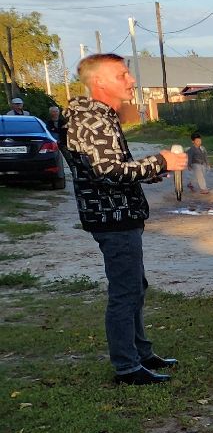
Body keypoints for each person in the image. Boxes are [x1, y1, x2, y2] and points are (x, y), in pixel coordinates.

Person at [59, 53, 187, 384]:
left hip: (119, 214)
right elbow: (106, 172)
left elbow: (111, 168)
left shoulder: (99, 115)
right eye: (123, 74)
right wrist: (160, 162)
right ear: (99, 81)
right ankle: (127, 368)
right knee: (126, 291)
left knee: (135, 286)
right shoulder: (91, 118)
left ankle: (140, 354)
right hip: (111, 218)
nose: (131, 80)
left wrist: (147, 173)